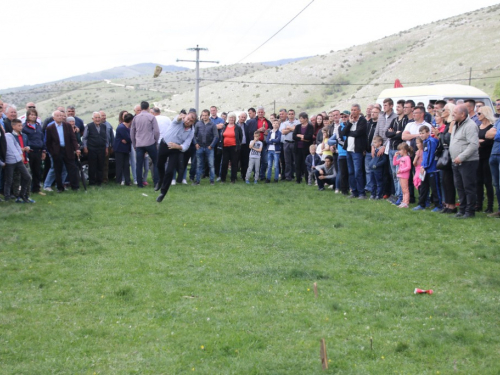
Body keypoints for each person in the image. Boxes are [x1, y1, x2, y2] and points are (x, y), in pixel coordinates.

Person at [156, 112, 196, 203]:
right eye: (187, 118)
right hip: (164, 144)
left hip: (175, 149)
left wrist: (178, 147)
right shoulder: (178, 121)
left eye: (191, 121)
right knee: (159, 165)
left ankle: (163, 192)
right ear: (185, 117)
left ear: (193, 123)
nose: (188, 121)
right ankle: (161, 179)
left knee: (170, 171)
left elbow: (186, 145)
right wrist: (179, 117)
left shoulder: (191, 131)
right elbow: (176, 119)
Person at [450, 104, 479, 218]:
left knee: (468, 187)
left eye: (455, 112)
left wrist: (461, 157)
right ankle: (462, 210)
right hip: (456, 161)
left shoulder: (470, 126)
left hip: (468, 162)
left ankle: (470, 211)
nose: (453, 114)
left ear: (463, 114)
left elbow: (473, 145)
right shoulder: (456, 124)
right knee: (460, 187)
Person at [45, 110, 81, 192]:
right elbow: (48, 142)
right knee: (58, 169)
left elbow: (73, 138)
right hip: (57, 151)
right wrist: (52, 152)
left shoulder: (67, 126)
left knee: (72, 168)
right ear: (53, 118)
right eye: (57, 116)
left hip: (68, 150)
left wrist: (76, 149)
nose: (60, 117)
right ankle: (60, 188)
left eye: (61, 115)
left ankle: (75, 187)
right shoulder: (50, 128)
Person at [432, 108, 457, 214]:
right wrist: (439, 135)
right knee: (445, 181)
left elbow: (448, 139)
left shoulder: (452, 123)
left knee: (449, 181)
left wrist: (439, 134)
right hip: (444, 153)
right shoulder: (447, 124)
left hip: (450, 155)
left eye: (445, 109)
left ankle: (452, 205)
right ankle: (447, 204)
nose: (442, 111)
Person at [131, 101, 160, 188]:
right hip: (150, 142)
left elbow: (132, 132)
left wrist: (134, 144)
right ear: (148, 108)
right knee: (155, 162)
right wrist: (155, 140)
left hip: (139, 143)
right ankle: (156, 182)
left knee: (139, 164)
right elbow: (156, 131)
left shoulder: (136, 118)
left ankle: (139, 183)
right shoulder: (151, 117)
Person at [3, 119, 33, 203]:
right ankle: (7, 198)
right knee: (9, 180)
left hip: (18, 160)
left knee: (27, 177)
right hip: (9, 162)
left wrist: (20, 154)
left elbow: (16, 145)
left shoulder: (9, 135)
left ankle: (22, 195)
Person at [341, 104, 367, 198]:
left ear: (359, 111)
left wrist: (349, 133)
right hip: (349, 150)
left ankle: (361, 193)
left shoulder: (362, 120)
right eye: (351, 110)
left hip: (357, 151)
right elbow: (343, 133)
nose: (353, 112)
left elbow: (358, 133)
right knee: (351, 172)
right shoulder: (350, 121)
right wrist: (350, 123)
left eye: (355, 110)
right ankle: (354, 192)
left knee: (358, 172)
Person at [413, 126, 442, 212]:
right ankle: (421, 204)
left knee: (434, 188)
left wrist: (424, 166)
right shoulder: (425, 142)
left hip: (432, 169)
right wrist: (423, 165)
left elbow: (430, 155)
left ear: (428, 133)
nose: (421, 135)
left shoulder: (431, 141)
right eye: (420, 133)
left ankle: (439, 205)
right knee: (423, 187)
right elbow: (425, 156)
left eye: (423, 133)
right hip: (424, 168)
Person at [386, 100, 408, 205]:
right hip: (391, 149)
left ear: (404, 108)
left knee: (399, 173)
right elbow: (387, 133)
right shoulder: (394, 120)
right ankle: (396, 194)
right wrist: (395, 133)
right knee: (394, 174)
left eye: (399, 107)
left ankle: (401, 195)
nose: (397, 108)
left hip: (399, 151)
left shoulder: (406, 120)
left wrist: (393, 133)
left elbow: (402, 135)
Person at [476, 106, 495, 213]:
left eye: (479, 113)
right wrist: (480, 141)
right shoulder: (479, 127)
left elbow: (489, 141)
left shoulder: (491, 127)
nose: (478, 115)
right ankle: (479, 204)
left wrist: (480, 142)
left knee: (488, 182)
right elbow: (475, 139)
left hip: (487, 157)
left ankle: (490, 205)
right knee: (478, 181)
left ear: (485, 114)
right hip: (478, 156)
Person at [22, 108, 45, 196]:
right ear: (27, 116)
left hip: (38, 151)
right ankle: (27, 189)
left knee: (37, 170)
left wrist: (43, 150)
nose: (33, 116)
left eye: (34, 115)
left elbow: (42, 138)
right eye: (31, 114)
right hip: (30, 151)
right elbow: (24, 139)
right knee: (29, 171)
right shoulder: (24, 127)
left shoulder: (38, 126)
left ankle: (37, 189)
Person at [82, 112, 108, 186]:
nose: (97, 119)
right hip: (92, 149)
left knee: (101, 166)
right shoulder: (89, 126)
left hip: (102, 149)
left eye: (98, 117)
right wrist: (85, 147)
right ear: (93, 119)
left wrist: (106, 147)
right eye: (96, 118)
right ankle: (92, 182)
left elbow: (106, 138)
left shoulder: (103, 126)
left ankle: (99, 182)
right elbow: (85, 138)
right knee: (92, 166)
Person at [194, 109, 218, 185]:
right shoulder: (198, 124)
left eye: (206, 115)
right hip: (200, 147)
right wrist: (196, 143)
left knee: (211, 165)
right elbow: (194, 135)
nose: (204, 117)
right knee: (199, 165)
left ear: (208, 115)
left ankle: (212, 181)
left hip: (209, 147)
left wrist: (211, 145)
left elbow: (216, 136)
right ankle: (197, 181)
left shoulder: (212, 124)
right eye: (203, 115)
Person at [219, 112, 243, 184]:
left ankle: (233, 179)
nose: (231, 119)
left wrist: (237, 145)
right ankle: (223, 179)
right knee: (224, 163)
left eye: (233, 118)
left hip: (234, 148)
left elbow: (240, 137)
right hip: (225, 147)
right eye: (230, 117)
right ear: (228, 118)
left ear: (235, 119)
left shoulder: (237, 127)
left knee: (234, 164)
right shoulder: (224, 126)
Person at [486, 105, 500, 217]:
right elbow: (487, 134)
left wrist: (496, 134)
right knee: (496, 184)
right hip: (494, 154)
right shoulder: (498, 121)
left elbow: (493, 134)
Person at [293, 112, 314, 184]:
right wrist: (303, 138)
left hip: (306, 149)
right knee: (297, 164)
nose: (300, 119)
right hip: (297, 148)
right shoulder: (298, 126)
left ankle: (307, 179)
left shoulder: (310, 127)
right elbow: (294, 136)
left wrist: (301, 136)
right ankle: (298, 179)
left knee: (306, 164)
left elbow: (309, 137)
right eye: (300, 118)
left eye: (302, 118)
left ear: (306, 119)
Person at [279, 109, 299, 181]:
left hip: (294, 143)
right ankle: (288, 176)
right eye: (289, 114)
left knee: (295, 160)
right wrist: (292, 129)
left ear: (294, 114)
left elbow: (297, 131)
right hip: (286, 143)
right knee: (287, 161)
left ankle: (296, 175)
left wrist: (289, 129)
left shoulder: (297, 122)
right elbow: (283, 132)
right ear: (287, 115)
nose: (291, 115)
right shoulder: (284, 123)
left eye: (292, 114)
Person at [113, 113, 133, 186]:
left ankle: (127, 181)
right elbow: (129, 138)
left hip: (125, 149)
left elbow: (128, 138)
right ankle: (118, 180)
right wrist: (129, 139)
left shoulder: (127, 128)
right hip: (119, 149)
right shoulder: (121, 127)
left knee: (126, 165)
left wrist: (128, 140)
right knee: (119, 165)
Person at [393, 143, 412, 208]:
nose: (399, 151)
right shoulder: (401, 158)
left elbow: (408, 167)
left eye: (400, 150)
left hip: (404, 175)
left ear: (405, 150)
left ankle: (406, 202)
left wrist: (401, 170)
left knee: (405, 189)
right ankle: (403, 201)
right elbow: (395, 163)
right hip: (400, 175)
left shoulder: (407, 158)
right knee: (403, 190)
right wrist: (395, 156)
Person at [365, 106, 379, 193]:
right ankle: (369, 187)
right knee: (368, 170)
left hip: (376, 151)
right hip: (367, 151)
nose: (372, 113)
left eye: (375, 112)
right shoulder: (368, 123)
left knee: (376, 170)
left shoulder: (379, 124)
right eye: (372, 112)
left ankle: (377, 188)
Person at [369, 135, 387, 200]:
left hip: (378, 169)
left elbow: (384, 160)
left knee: (379, 182)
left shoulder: (382, 151)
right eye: (374, 142)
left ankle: (379, 195)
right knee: (372, 182)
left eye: (375, 142)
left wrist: (377, 165)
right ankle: (373, 194)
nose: (374, 144)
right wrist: (370, 164)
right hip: (372, 169)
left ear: (380, 142)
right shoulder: (374, 150)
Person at [237, 112, 249, 180]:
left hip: (245, 146)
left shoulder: (246, 126)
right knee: (235, 161)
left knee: (245, 162)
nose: (243, 118)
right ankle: (234, 176)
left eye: (244, 117)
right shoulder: (235, 125)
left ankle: (244, 175)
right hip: (237, 146)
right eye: (242, 117)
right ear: (239, 117)